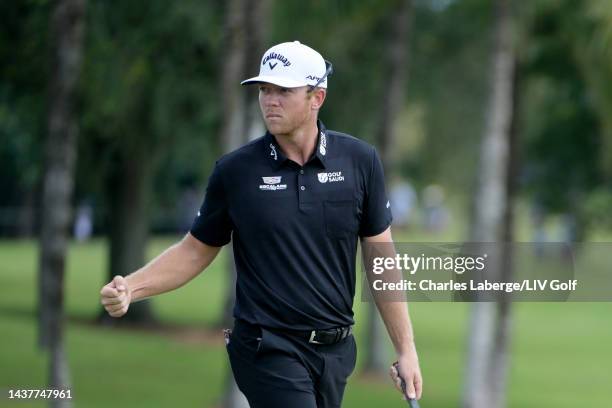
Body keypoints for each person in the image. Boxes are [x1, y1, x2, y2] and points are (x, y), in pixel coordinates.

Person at [100, 41, 422, 407]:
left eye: (283, 91)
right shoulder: (236, 171)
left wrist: (406, 350)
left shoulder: (360, 162)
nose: (270, 100)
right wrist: (133, 287)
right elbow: (194, 250)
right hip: (267, 347)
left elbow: (382, 261)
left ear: (317, 97)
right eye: (264, 90)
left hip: (335, 351)